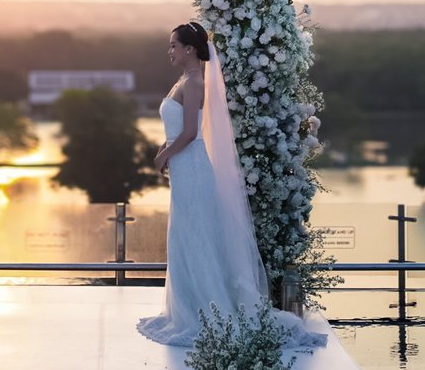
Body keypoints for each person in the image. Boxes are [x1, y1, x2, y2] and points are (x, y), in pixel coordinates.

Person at [137, 21, 328, 348]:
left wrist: (162, 155)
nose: (169, 51)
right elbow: (179, 129)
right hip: (184, 168)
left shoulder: (195, 81)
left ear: (189, 49)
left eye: (173, 45)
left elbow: (189, 134)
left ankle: (205, 310)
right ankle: (188, 308)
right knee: (185, 234)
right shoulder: (184, 80)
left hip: (193, 167)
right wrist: (165, 151)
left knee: (196, 235)